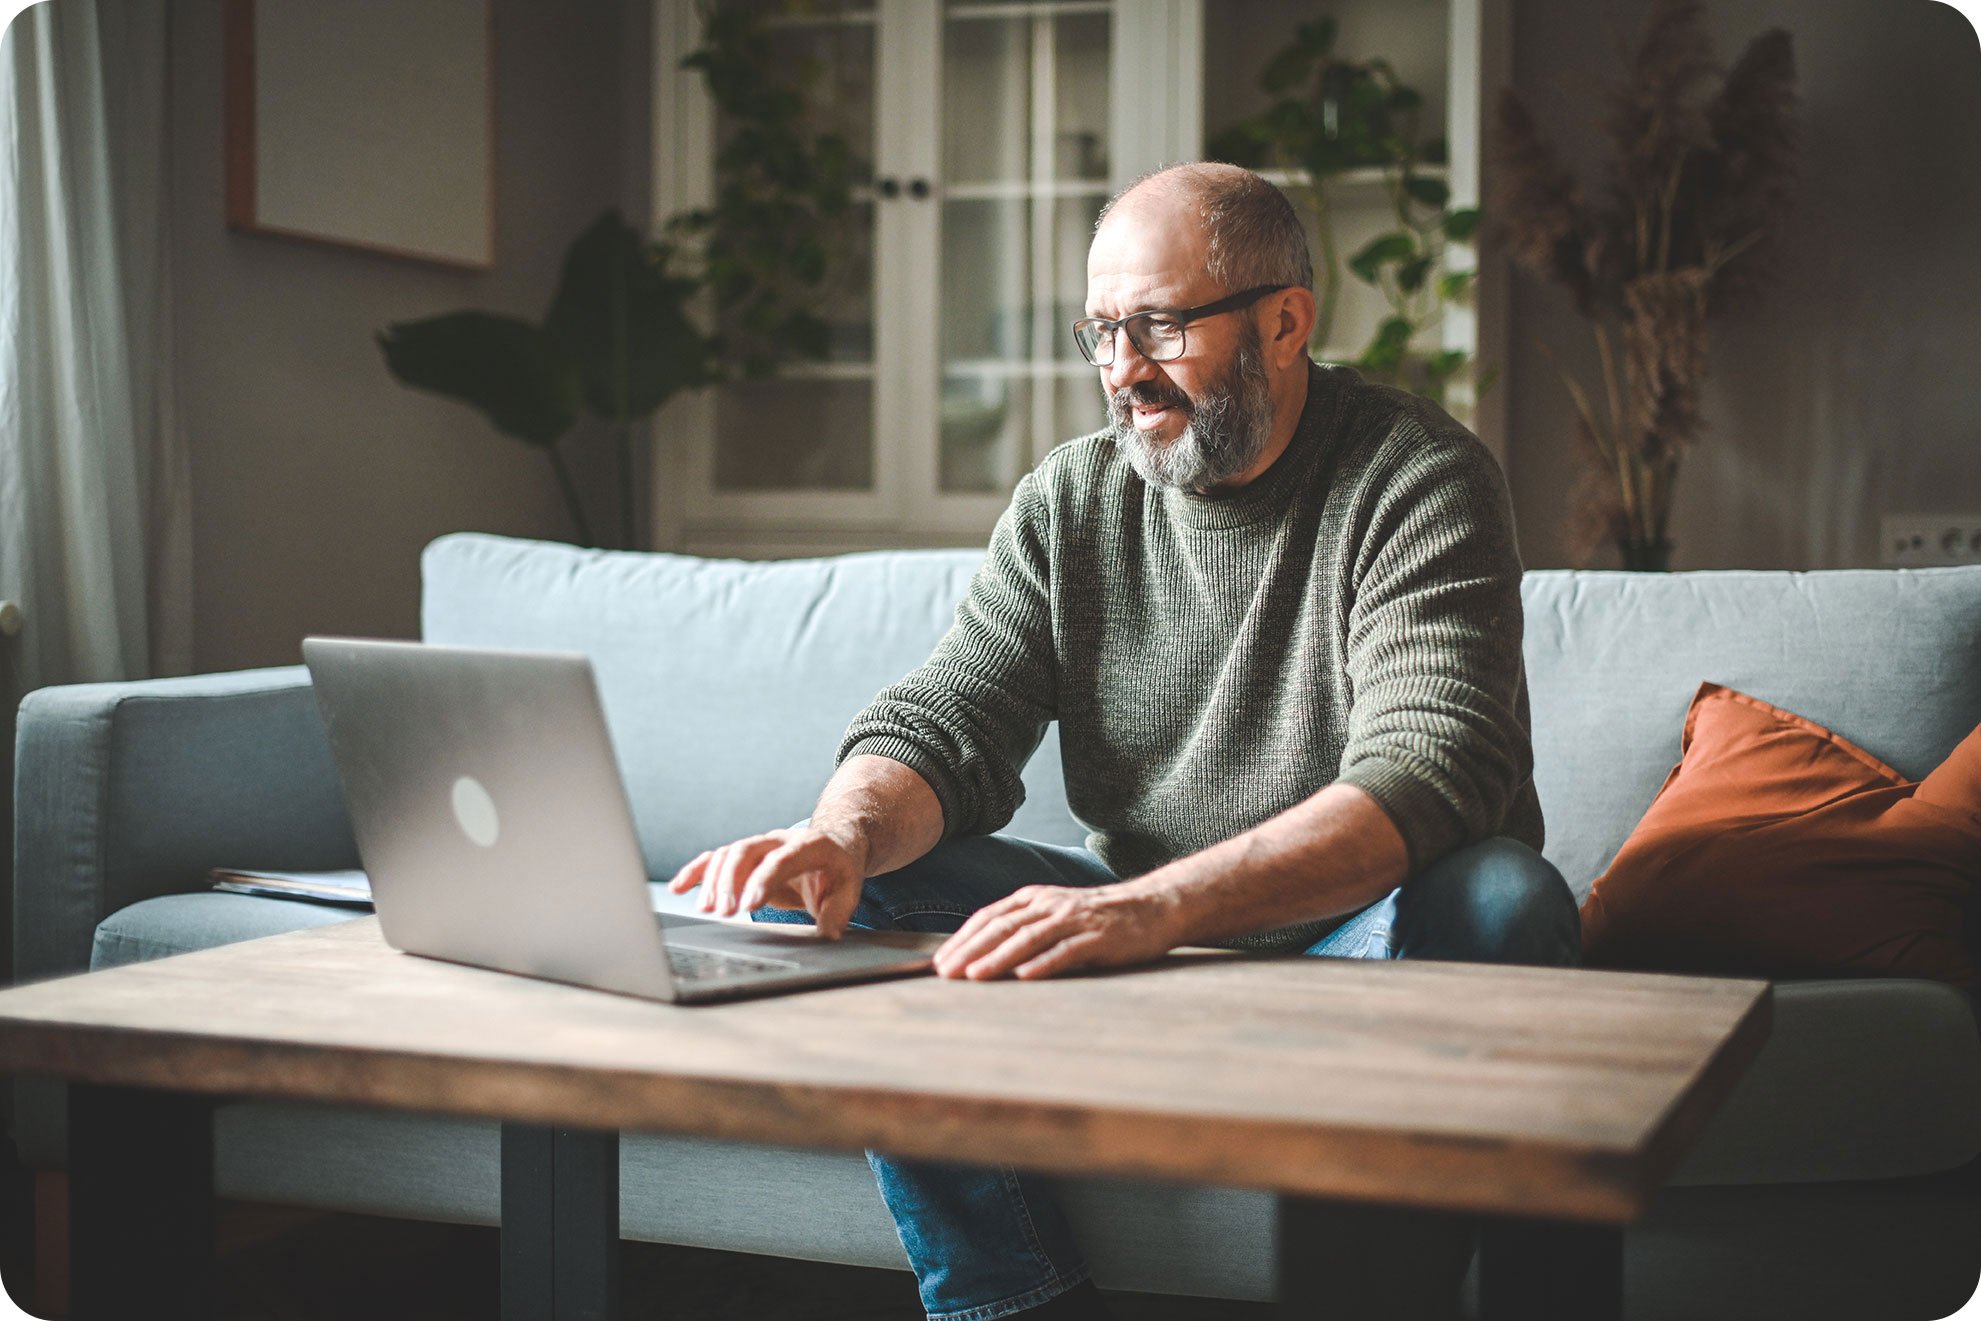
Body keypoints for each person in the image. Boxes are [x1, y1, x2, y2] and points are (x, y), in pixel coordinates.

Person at [668, 161, 1579, 1321]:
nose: (1122, 371)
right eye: (1100, 332)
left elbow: (1427, 771)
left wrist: (1143, 913)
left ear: (1285, 320)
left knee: (1503, 897)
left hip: (1363, 930)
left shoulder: (1416, 476)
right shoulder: (1071, 500)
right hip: (1148, 918)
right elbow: (946, 717)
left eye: (1157, 326)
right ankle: (1017, 1302)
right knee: (851, 889)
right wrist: (840, 833)